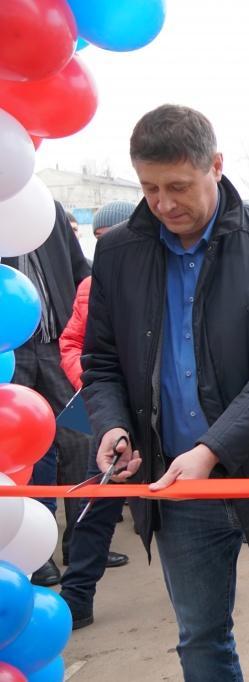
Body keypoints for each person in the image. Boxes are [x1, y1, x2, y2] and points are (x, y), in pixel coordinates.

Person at [81, 104, 249, 681]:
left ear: (216, 166)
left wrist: (211, 450)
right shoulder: (120, 252)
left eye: (178, 186)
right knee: (200, 638)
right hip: (178, 487)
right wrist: (114, 426)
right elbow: (100, 361)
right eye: (149, 188)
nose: (163, 203)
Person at [1, 203, 91, 588]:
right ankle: (33, 554)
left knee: (81, 439)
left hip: (57, 346)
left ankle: (81, 543)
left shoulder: (47, 208)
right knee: (22, 450)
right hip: (8, 351)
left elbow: (79, 269)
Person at [57, 199, 135, 630]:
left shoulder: (171, 278)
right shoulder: (90, 286)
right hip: (110, 418)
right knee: (95, 508)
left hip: (169, 415)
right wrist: (93, 391)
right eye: (101, 239)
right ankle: (76, 599)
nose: (109, 246)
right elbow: (72, 345)